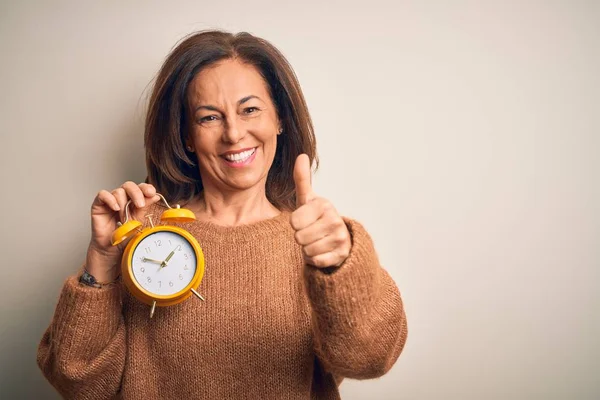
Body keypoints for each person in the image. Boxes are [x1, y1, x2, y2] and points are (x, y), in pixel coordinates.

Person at [37, 30, 408, 399]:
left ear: (279, 118)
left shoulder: (319, 239)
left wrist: (339, 267)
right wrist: (101, 260)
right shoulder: (143, 236)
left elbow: (370, 359)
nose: (233, 133)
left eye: (250, 110)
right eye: (209, 118)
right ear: (186, 136)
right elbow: (77, 380)